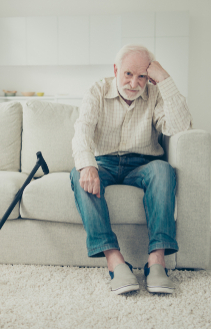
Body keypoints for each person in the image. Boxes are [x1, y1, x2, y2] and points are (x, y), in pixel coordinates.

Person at [70, 44, 192, 295]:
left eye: (142, 76)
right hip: (104, 163)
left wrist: (165, 79)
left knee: (163, 170)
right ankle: (115, 262)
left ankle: (157, 263)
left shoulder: (155, 94)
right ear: (116, 70)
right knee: (78, 173)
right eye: (128, 74)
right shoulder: (97, 91)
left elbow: (180, 128)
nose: (134, 83)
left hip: (143, 164)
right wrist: (87, 166)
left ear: (150, 77)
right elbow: (82, 130)